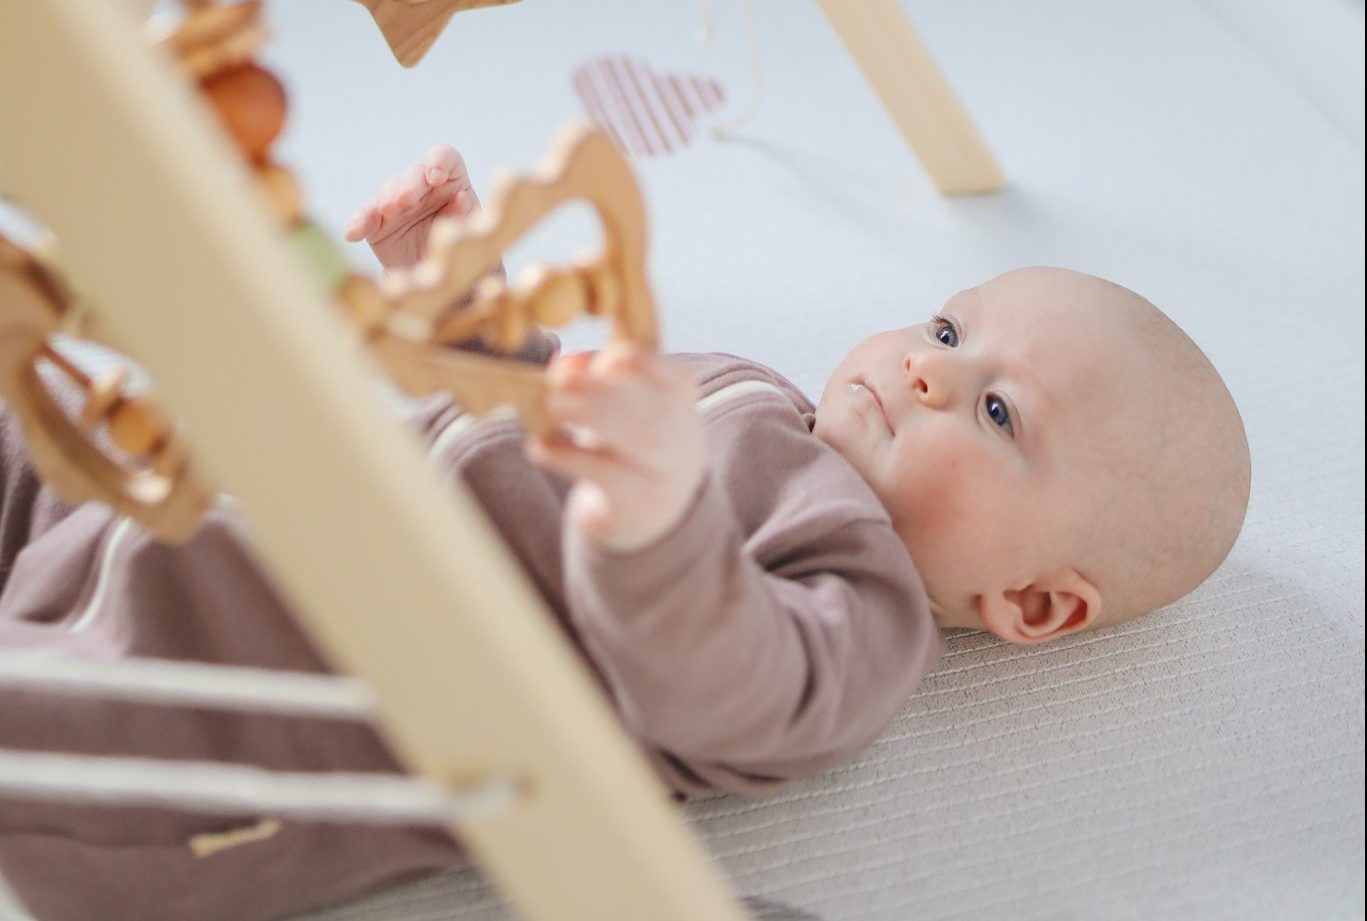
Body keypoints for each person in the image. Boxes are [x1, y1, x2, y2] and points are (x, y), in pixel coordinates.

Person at [0, 145, 1251, 921]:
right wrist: (463, 305)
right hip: (173, 506)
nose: (927, 373)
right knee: (33, 398)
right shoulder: (752, 388)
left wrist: (651, 524)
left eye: (992, 411)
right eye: (941, 329)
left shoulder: (861, 620)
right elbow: (546, 385)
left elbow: (719, 687)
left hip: (213, 715)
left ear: (1032, 602)